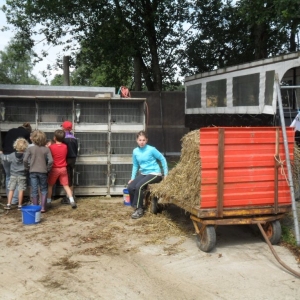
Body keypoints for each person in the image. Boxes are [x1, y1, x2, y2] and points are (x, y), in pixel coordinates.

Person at [127, 130, 168, 219]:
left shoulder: (151, 149)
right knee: (130, 187)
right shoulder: (135, 151)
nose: (142, 142)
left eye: (143, 140)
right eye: (140, 140)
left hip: (154, 173)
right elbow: (135, 165)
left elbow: (162, 159)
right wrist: (132, 178)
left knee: (139, 186)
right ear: (136, 140)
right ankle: (136, 206)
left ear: (147, 140)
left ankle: (140, 210)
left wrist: (166, 174)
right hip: (144, 173)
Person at [1, 122, 32, 204]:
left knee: (8, 176)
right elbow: (29, 146)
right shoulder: (27, 133)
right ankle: (15, 200)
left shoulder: (10, 130)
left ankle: (9, 199)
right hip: (17, 155)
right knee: (19, 177)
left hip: (6, 155)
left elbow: (4, 143)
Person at [23, 130, 53, 213]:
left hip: (32, 171)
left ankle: (36, 207)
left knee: (34, 189)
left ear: (33, 138)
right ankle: (43, 207)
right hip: (43, 171)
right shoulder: (46, 149)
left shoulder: (30, 148)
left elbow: (25, 160)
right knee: (43, 189)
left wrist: (27, 168)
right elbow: (51, 161)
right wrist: (48, 169)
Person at [47, 129, 77, 209]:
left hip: (55, 168)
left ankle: (49, 201)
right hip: (63, 168)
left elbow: (49, 153)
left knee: (50, 185)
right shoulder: (65, 146)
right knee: (66, 186)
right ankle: (72, 200)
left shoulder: (51, 147)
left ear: (55, 138)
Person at [0, 138, 29, 210]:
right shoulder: (26, 155)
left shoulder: (12, 155)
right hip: (22, 175)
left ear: (15, 146)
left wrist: (1, 154)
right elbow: (29, 162)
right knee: (21, 190)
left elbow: (4, 158)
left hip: (13, 175)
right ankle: (19, 205)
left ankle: (9, 204)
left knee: (11, 189)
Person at [60, 121, 78, 205]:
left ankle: (68, 197)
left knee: (66, 178)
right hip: (73, 159)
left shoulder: (63, 139)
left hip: (66, 159)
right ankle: (70, 195)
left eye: (62, 127)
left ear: (64, 128)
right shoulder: (74, 138)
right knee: (71, 177)